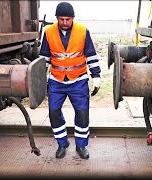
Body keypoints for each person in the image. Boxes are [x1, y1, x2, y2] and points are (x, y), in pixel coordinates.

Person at [40, 2, 101, 159]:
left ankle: (81, 146)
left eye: (68, 19)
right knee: (53, 112)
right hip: (56, 81)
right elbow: (45, 58)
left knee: (82, 114)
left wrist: (96, 77)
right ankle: (62, 143)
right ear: (57, 18)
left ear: (73, 18)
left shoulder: (82, 31)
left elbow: (91, 55)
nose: (65, 22)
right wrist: (39, 79)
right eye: (61, 19)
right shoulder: (49, 32)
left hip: (78, 80)